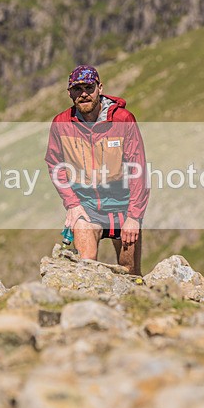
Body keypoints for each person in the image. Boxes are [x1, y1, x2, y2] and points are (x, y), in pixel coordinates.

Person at [45, 65, 149, 275]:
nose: (83, 94)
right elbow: (55, 164)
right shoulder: (61, 123)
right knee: (87, 267)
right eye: (77, 89)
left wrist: (134, 216)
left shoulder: (123, 120)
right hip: (87, 206)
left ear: (99, 88)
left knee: (130, 273)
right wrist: (73, 205)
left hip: (123, 206)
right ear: (69, 93)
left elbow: (138, 169)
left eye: (89, 87)